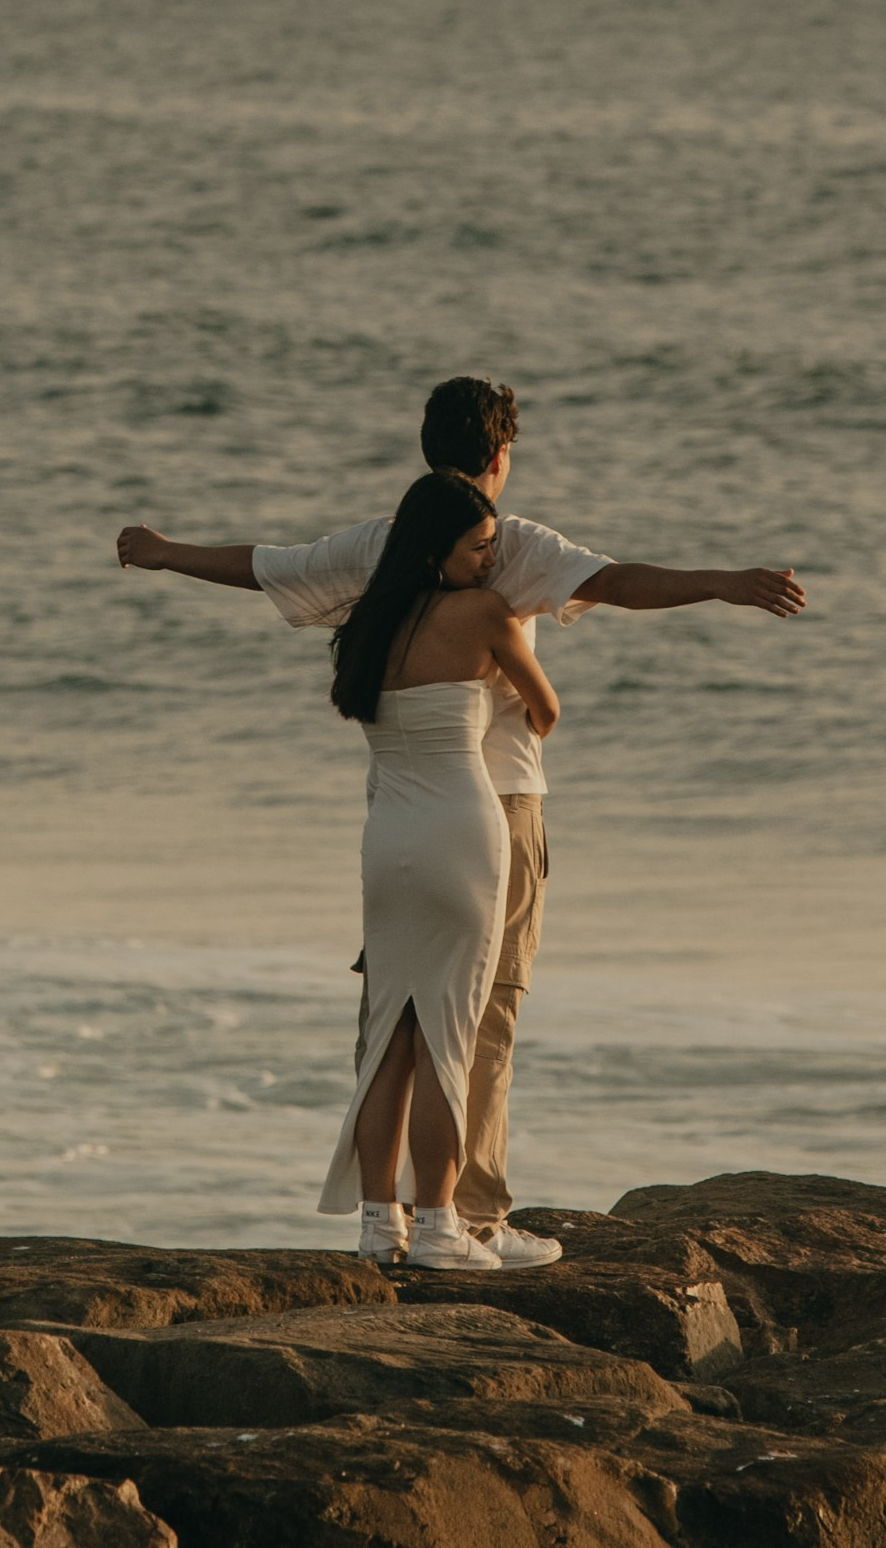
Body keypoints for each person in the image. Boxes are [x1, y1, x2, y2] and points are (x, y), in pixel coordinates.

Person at [116, 377, 804, 1267]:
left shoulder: (379, 546)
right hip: (494, 811)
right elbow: (618, 582)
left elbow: (262, 563)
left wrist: (167, 551)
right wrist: (722, 583)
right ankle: (467, 1216)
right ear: (499, 456)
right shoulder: (503, 551)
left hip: (392, 816)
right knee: (484, 1012)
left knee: (394, 1023)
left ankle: (389, 1215)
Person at [316, 470, 556, 1267]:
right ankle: (440, 1227)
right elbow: (546, 711)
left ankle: (379, 1224)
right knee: (446, 1033)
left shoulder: (367, 621)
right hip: (462, 827)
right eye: (479, 546)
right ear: (437, 547)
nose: (491, 560)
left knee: (390, 1032)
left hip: (389, 838)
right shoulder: (484, 614)